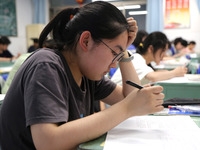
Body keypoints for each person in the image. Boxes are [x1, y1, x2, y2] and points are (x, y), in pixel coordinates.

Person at [0, 2, 164, 150]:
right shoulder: (46, 65)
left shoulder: (87, 73)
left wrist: (123, 53)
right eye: (114, 52)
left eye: (118, 56)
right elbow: (47, 142)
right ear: (86, 41)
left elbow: (129, 97)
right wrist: (127, 108)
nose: (115, 64)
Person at [112, 32, 188, 85]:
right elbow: (153, 77)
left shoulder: (145, 62)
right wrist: (175, 72)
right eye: (163, 50)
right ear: (151, 48)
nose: (164, 55)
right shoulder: (137, 58)